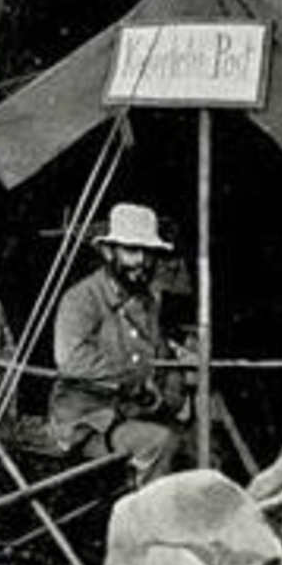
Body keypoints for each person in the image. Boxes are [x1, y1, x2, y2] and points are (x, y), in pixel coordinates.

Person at [50, 203, 188, 487]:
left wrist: (173, 383)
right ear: (108, 252)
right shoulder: (82, 299)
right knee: (159, 443)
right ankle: (147, 529)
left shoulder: (147, 301)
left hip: (131, 415)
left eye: (149, 253)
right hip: (88, 423)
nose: (143, 262)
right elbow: (72, 359)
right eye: (132, 251)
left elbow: (160, 353)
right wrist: (135, 384)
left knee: (199, 443)